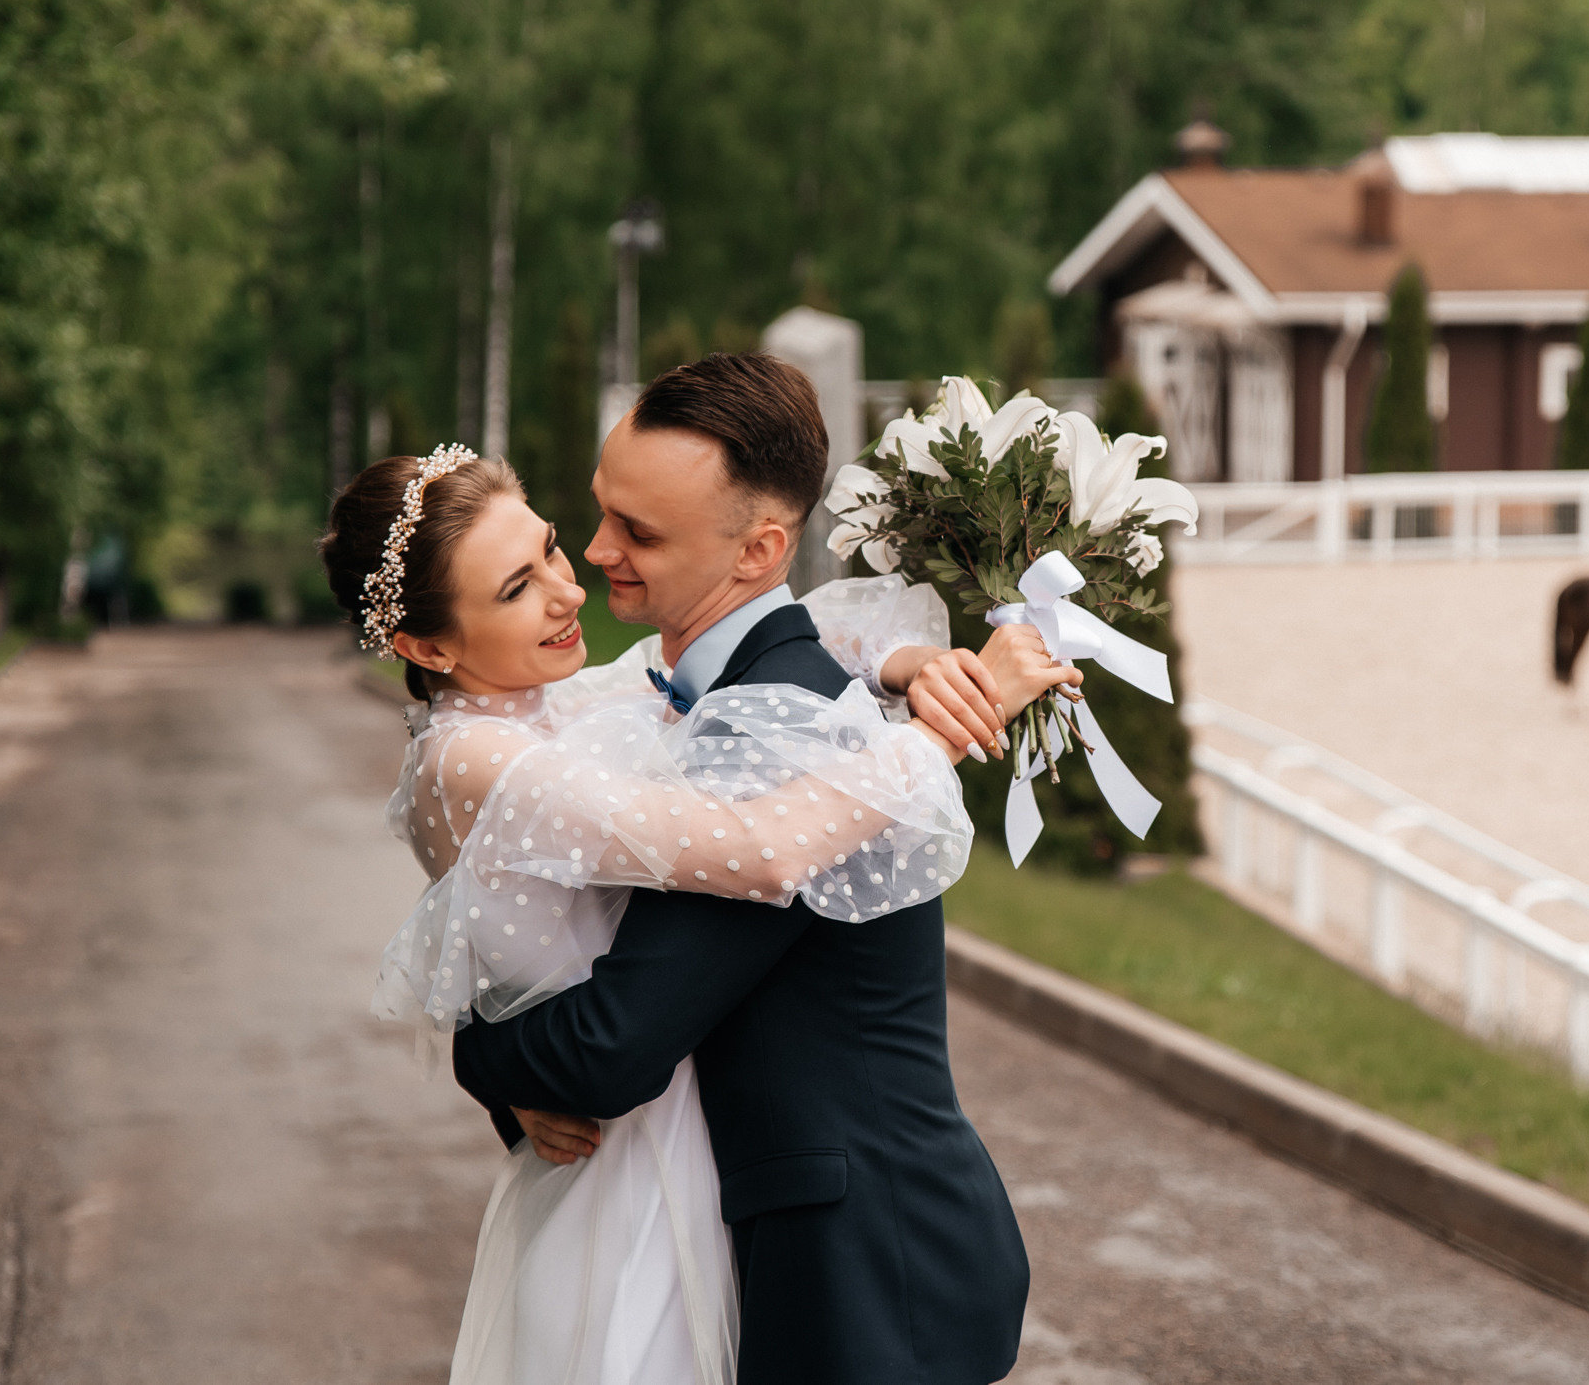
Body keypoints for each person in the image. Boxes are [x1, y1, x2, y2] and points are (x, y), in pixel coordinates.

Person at [316, 357, 1065, 1384]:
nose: (589, 561)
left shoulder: (780, 732)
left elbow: (615, 1036)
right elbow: (726, 841)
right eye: (595, 516)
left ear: (758, 547)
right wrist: (911, 705)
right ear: (425, 643)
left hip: (867, 1272)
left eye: (639, 533)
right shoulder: (561, 725)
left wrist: (913, 697)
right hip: (695, 1215)